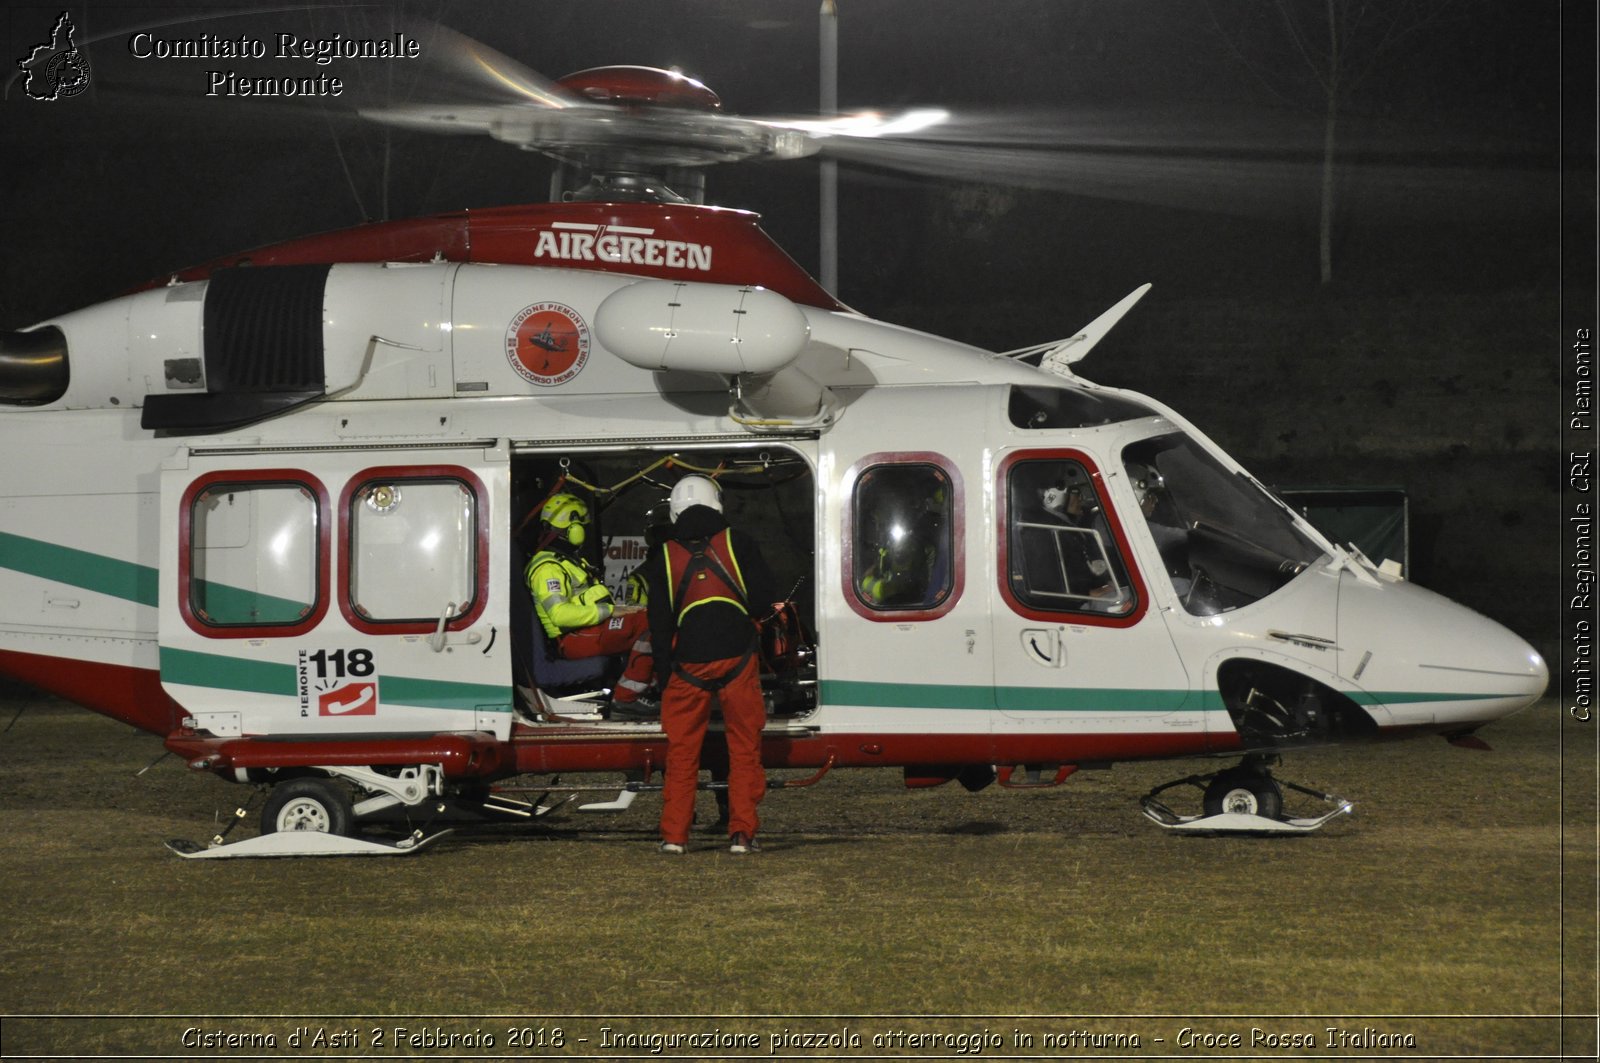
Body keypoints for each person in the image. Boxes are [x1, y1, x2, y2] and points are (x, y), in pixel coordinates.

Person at [643, 474, 777, 854]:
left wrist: (666, 675)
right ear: (717, 504)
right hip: (738, 658)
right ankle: (742, 835)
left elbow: (659, 624)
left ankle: (674, 837)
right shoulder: (740, 542)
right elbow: (765, 602)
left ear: (674, 511)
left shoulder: (663, 556)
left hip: (687, 665)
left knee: (683, 752)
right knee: (744, 748)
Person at [524, 491, 656, 720]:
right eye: (581, 525)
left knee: (652, 616)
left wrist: (622, 609)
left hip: (590, 630)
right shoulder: (547, 568)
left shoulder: (567, 562)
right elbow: (560, 615)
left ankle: (651, 688)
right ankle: (627, 699)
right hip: (574, 638)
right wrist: (611, 611)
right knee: (652, 622)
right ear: (572, 526)